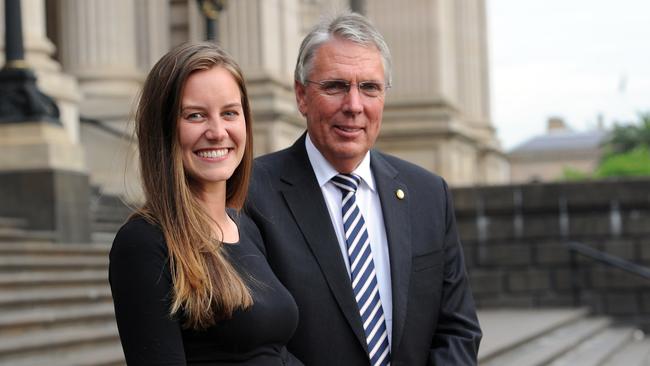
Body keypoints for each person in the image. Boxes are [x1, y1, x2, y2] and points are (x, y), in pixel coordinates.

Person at [245, 12, 482, 366]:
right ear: (301, 96)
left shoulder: (429, 194)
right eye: (335, 86)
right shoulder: (250, 194)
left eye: (369, 87)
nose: (354, 106)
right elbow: (256, 342)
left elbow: (458, 331)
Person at [109, 42, 303, 365]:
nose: (217, 132)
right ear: (163, 130)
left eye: (229, 113)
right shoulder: (144, 243)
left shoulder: (246, 226)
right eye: (195, 115)